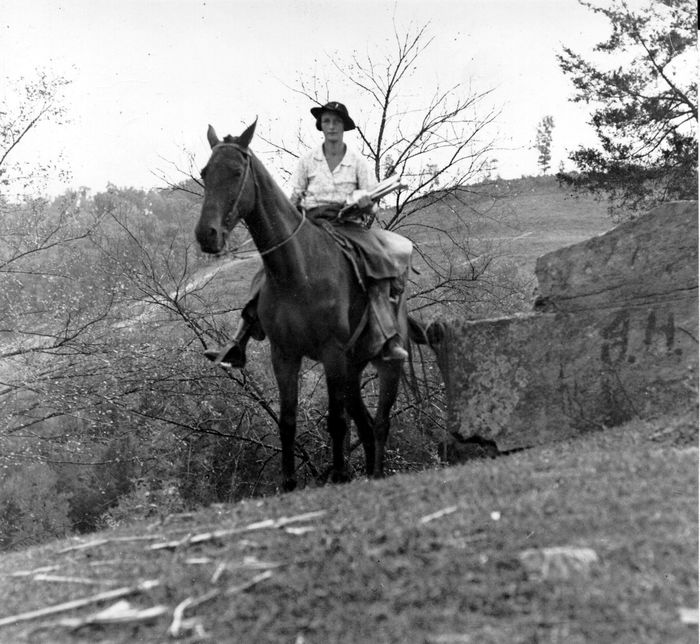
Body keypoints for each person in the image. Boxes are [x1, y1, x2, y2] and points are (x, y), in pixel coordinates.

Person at [209, 101, 411, 367]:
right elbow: (295, 197)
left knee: (377, 261)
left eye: (336, 122)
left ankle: (387, 336)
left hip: (348, 225)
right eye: (327, 122)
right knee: (269, 268)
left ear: (343, 127)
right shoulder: (308, 161)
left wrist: (365, 202)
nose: (331, 127)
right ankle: (238, 341)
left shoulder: (357, 163)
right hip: (312, 222)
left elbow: (373, 201)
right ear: (321, 126)